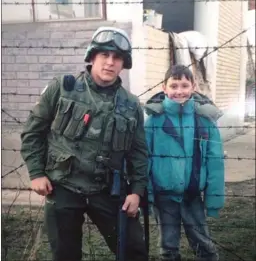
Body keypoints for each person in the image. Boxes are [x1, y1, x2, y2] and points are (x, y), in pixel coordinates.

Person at [20, 27, 149, 261]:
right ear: (92, 57)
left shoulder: (131, 105)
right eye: (104, 55)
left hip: (107, 189)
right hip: (63, 186)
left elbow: (139, 152)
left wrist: (137, 192)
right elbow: (32, 133)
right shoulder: (62, 88)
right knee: (65, 254)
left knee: (134, 251)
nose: (110, 62)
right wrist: (36, 173)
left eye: (117, 57)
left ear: (123, 64)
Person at [144, 64, 225, 261]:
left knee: (203, 243)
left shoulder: (205, 120)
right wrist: (147, 194)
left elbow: (215, 162)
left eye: (184, 85)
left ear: (193, 86)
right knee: (168, 246)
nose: (179, 91)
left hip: (192, 194)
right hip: (164, 197)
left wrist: (213, 201)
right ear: (164, 87)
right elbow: (143, 160)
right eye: (174, 86)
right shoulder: (154, 121)